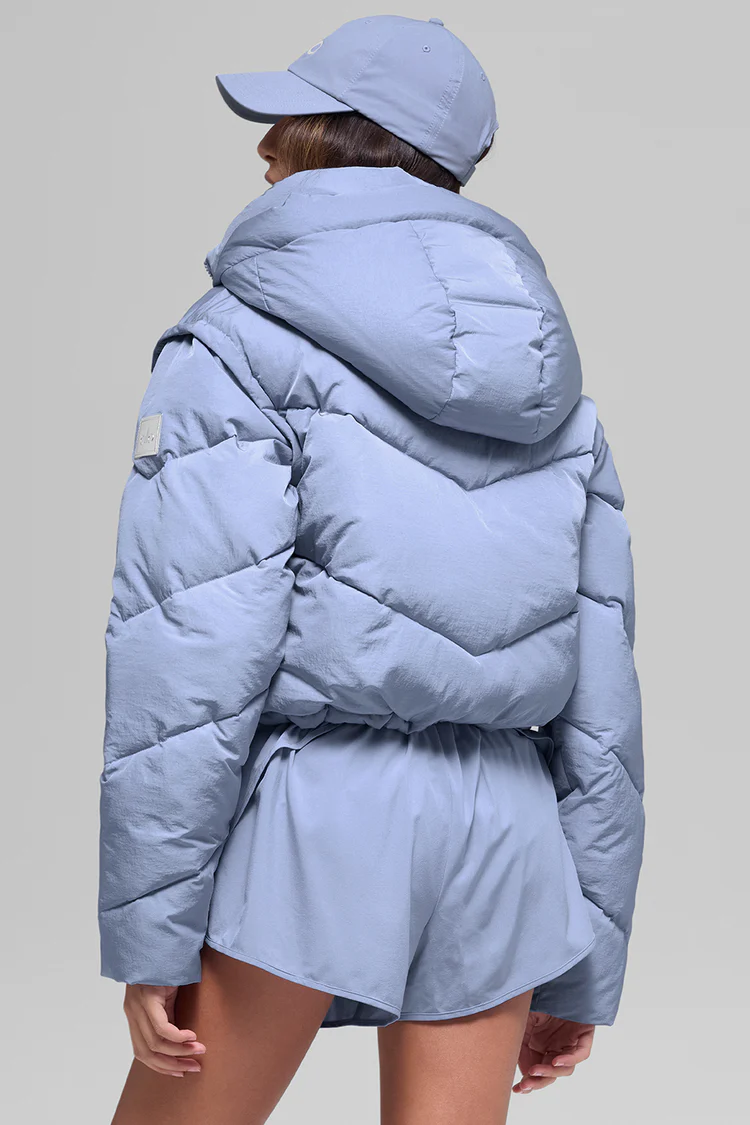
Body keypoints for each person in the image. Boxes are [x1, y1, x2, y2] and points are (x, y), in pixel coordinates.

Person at [98, 15, 644, 1125]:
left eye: (287, 123)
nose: (264, 150)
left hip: (320, 813)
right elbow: (604, 702)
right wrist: (581, 958)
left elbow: (191, 647)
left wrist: (152, 930)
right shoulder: (550, 378)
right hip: (506, 829)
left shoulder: (235, 341)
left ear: (338, 138)